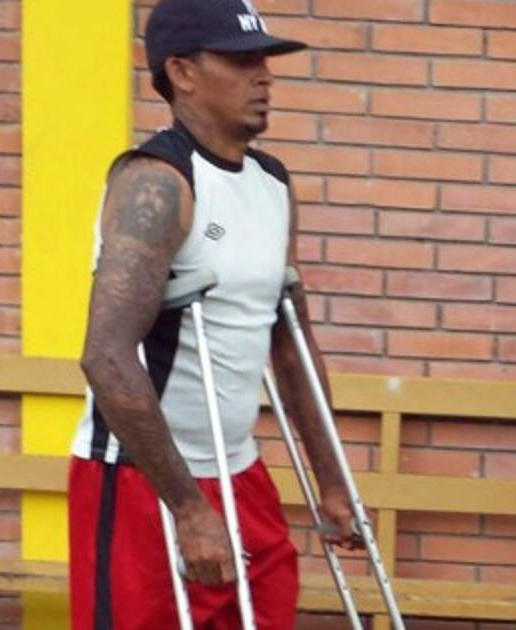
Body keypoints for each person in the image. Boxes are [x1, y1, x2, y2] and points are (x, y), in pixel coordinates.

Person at [68, 0, 358, 627]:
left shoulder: (272, 184)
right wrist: (189, 509)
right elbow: (106, 356)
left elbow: (291, 345)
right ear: (182, 72)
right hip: (144, 480)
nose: (265, 76)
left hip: (238, 470)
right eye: (242, 60)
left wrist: (331, 480)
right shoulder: (156, 183)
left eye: (266, 60)